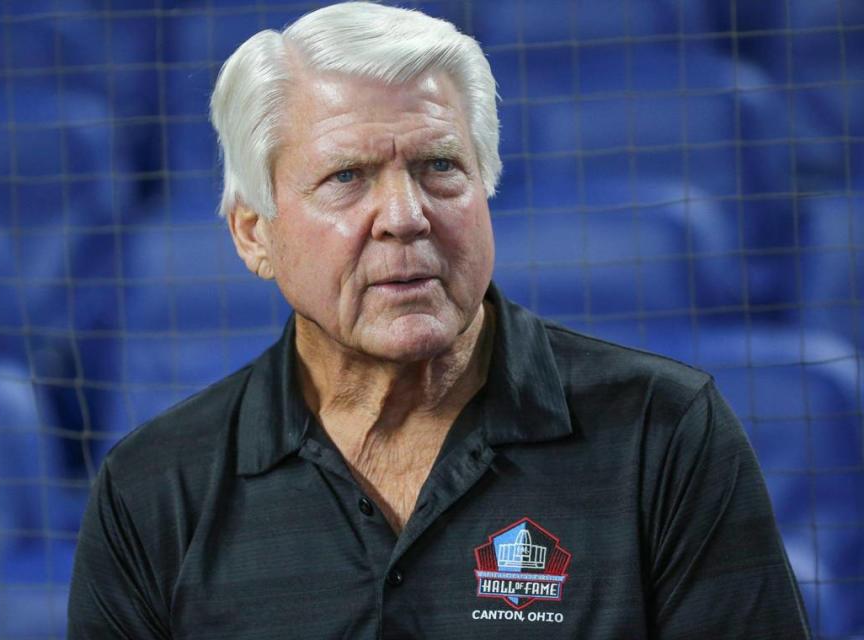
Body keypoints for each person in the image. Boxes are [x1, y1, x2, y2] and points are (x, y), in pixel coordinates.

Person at [67, 3, 810, 638]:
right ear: (253, 233)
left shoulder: (667, 433)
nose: (404, 217)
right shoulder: (153, 488)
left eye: (439, 167)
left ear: (485, 190)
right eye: (347, 177)